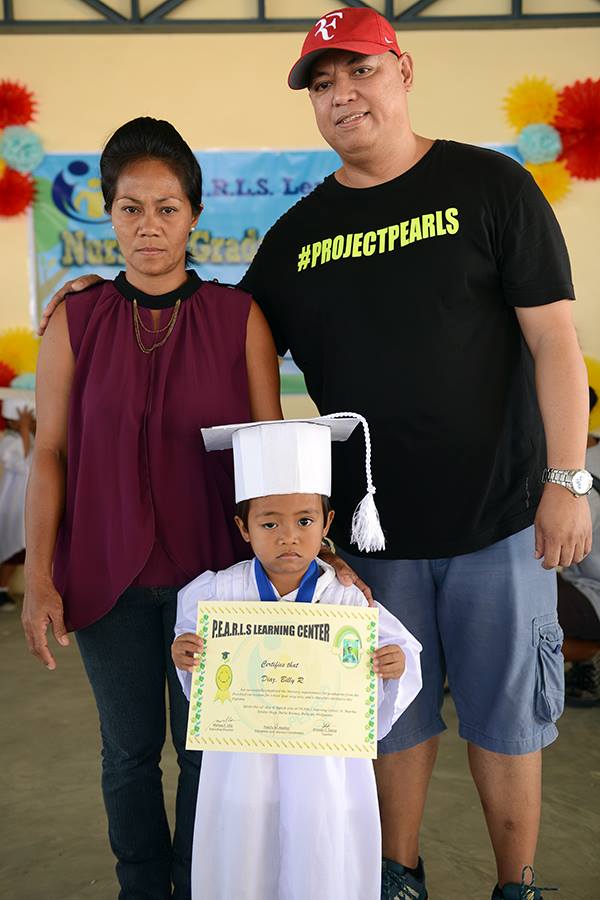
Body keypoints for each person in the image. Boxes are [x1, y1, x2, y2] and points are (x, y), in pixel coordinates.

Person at [37, 8, 593, 899]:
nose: (343, 95)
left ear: (402, 70)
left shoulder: (491, 184)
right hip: (374, 538)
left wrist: (568, 479)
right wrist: (95, 297)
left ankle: (516, 884)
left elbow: (555, 340)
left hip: (502, 519)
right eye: (323, 84)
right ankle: (397, 876)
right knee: (388, 718)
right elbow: (210, 318)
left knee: (506, 722)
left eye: (360, 72)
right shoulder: (298, 236)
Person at [22, 117, 282, 900]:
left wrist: (297, 568)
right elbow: (48, 453)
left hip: (218, 581)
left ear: (195, 215)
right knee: (129, 754)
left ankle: (201, 883)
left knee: (207, 752)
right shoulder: (76, 320)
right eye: (130, 208)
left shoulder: (239, 318)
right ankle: (141, 888)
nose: (149, 227)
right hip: (107, 580)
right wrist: (39, 578)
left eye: (167, 208)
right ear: (109, 214)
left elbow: (271, 461)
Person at [171, 414, 423, 900]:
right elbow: (193, 655)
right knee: (245, 854)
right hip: (243, 763)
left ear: (326, 524)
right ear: (244, 528)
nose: (288, 536)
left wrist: (393, 665)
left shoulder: (347, 600)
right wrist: (186, 654)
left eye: (305, 521)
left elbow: (400, 658)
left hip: (323, 767)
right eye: (270, 523)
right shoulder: (219, 593)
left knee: (318, 856)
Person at [558, 387, 600, 706]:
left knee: (509, 617)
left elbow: (558, 545)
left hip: (592, 589)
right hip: (576, 577)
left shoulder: (579, 476)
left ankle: (591, 654)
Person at [0, 397, 35, 612]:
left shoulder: (27, 436)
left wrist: (28, 429)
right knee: (10, 549)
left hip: (26, 502)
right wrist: (24, 429)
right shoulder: (8, 441)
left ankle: (3, 590)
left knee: (20, 549)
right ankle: (2, 590)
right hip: (12, 503)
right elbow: (23, 462)